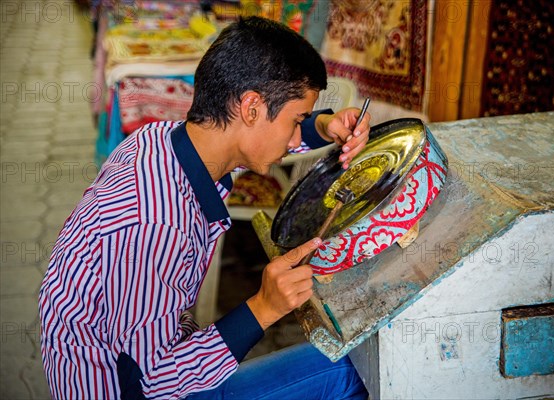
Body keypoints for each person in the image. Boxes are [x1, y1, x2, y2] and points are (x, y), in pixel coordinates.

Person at [39, 16, 371, 399]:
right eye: (297, 120)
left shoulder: (162, 140)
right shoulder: (158, 224)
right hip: (121, 385)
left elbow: (259, 141)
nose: (298, 134)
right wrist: (263, 307)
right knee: (348, 374)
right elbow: (154, 382)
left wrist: (324, 126)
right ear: (250, 108)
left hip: (128, 349)